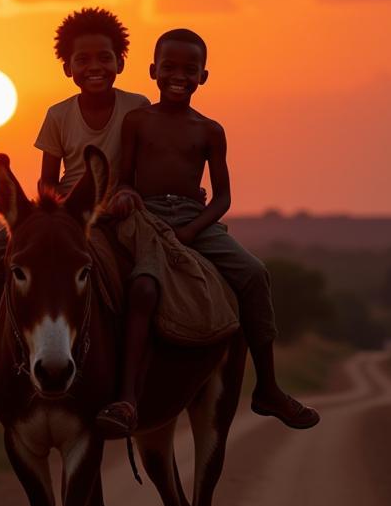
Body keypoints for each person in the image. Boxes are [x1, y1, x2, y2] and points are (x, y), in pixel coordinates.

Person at [96, 27, 321, 437]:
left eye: (189, 68)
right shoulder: (137, 121)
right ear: (152, 71)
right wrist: (127, 201)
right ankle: (126, 397)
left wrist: (191, 231)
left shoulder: (209, 130)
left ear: (204, 76)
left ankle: (268, 387)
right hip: (145, 217)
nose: (178, 75)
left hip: (194, 218)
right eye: (169, 67)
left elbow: (222, 198)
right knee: (143, 286)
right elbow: (122, 179)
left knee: (254, 273)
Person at [0, 7, 148, 431]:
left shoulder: (137, 107)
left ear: (120, 62)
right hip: (66, 215)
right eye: (84, 60)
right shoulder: (57, 115)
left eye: (104, 58)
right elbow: (46, 180)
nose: (95, 67)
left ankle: (127, 389)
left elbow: (139, 166)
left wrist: (124, 194)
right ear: (68, 68)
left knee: (143, 281)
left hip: (118, 210)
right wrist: (52, 220)